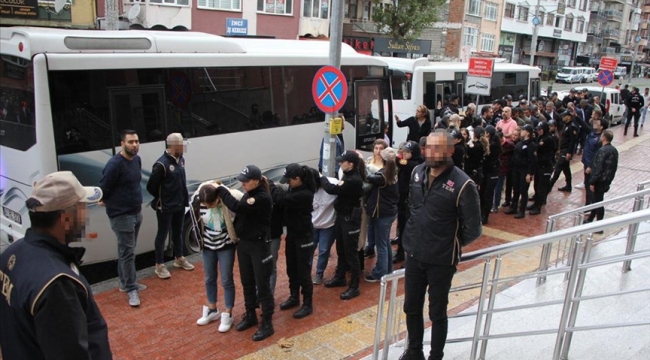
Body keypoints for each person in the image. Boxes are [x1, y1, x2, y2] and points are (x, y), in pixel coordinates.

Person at [0, 171, 112, 360]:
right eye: (83, 207)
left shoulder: (11, 253)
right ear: (66, 218)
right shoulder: (57, 284)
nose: (86, 214)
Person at [400, 131, 482, 360]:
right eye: (428, 147)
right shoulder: (417, 172)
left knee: (436, 312)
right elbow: (413, 207)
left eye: (437, 148)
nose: (430, 152)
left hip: (441, 260)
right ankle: (414, 351)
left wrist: (447, 242)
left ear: (450, 151)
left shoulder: (463, 184)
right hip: (415, 254)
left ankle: (436, 356)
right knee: (411, 307)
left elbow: (473, 228)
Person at [214, 165, 275, 341]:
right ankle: (250, 314)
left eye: (246, 181)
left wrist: (221, 190)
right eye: (241, 180)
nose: (243, 184)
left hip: (258, 246)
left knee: (262, 284)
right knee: (247, 281)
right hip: (245, 244)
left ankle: (268, 323)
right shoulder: (250, 193)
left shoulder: (261, 197)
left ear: (256, 180)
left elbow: (236, 206)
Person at [99, 129, 145, 307]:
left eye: (136, 141)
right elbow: (104, 187)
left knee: (126, 251)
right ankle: (131, 289)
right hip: (121, 215)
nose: (134, 145)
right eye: (131, 142)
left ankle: (125, 283)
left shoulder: (137, 160)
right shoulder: (114, 164)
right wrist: (105, 200)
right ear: (122, 144)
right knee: (128, 253)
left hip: (136, 212)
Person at [192, 181, 241, 332]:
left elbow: (241, 214)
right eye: (206, 204)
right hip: (208, 245)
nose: (208, 206)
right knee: (209, 278)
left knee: (226, 279)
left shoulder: (230, 199)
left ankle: (228, 312)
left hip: (226, 245)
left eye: (211, 204)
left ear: (218, 198)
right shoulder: (198, 201)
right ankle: (212, 309)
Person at [270, 164, 317, 319]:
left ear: (298, 179)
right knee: (291, 268)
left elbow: (281, 198)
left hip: (304, 237)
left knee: (304, 272)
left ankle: (307, 304)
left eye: (289, 180)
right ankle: (294, 296)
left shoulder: (304, 194)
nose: (287, 183)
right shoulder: (294, 188)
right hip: (292, 235)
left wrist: (270, 185)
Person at [147, 133, 195, 279]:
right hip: (165, 206)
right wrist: (164, 198)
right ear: (173, 146)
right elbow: (151, 187)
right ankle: (159, 265)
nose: (184, 147)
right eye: (181, 144)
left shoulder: (181, 160)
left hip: (180, 204)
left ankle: (179, 258)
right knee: (162, 234)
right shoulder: (161, 165)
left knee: (178, 231)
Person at [320, 150, 365, 300]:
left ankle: (354, 286)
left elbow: (333, 189)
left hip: (350, 219)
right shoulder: (348, 175)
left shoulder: (353, 179)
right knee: (340, 248)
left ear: (350, 164)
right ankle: (340, 276)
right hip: (342, 217)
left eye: (342, 161)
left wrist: (322, 178)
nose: (340, 163)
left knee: (351, 253)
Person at [364, 147, 399, 282]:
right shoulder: (393, 172)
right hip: (389, 212)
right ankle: (388, 269)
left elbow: (368, 177)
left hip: (382, 213)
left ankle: (380, 273)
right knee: (385, 242)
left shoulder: (382, 176)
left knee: (381, 244)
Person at [394, 141, 423, 263]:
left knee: (409, 230)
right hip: (402, 199)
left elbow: (399, 162)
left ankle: (409, 257)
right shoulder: (410, 163)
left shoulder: (415, 164)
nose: (404, 154)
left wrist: (397, 155)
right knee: (401, 226)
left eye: (407, 152)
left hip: (410, 201)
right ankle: (400, 251)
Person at [310, 168, 337, 285]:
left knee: (324, 250)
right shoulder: (308, 187)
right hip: (312, 224)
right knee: (309, 249)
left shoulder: (332, 184)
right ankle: (306, 272)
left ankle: (319, 273)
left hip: (328, 225)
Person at [586, 130, 619, 228]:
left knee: (598, 202)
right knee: (596, 200)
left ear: (604, 137)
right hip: (606, 180)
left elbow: (598, 168)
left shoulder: (602, 150)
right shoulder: (614, 150)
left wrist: (592, 182)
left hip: (599, 181)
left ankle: (599, 226)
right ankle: (590, 218)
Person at [505, 125, 537, 219]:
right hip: (516, 169)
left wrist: (529, 173)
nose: (521, 131)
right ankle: (513, 207)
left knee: (523, 190)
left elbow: (532, 160)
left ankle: (522, 210)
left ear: (528, 132)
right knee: (516, 189)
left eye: (523, 130)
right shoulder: (521, 142)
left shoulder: (532, 145)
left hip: (524, 170)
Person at [364, 139, 388, 259]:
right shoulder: (368, 161)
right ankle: (370, 247)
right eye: (376, 148)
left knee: (380, 231)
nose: (378, 151)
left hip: (380, 199)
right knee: (370, 225)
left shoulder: (387, 164)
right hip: (369, 198)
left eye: (381, 149)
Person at [527, 121, 556, 215]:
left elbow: (545, 150)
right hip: (539, 165)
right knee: (536, 185)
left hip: (546, 166)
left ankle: (538, 206)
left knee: (541, 187)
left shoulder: (549, 139)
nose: (538, 131)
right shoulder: (540, 137)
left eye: (540, 129)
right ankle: (536, 203)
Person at [580, 111, 606, 207]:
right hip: (586, 162)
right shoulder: (592, 133)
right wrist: (577, 116)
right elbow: (585, 125)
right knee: (587, 185)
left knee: (590, 186)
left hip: (591, 165)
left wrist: (590, 166)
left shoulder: (600, 139)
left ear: (601, 126)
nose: (595, 124)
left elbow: (597, 155)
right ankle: (588, 204)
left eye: (597, 123)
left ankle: (590, 206)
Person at [550, 112, 579, 193]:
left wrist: (569, 152)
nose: (562, 117)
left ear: (569, 117)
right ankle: (568, 185)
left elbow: (573, 141)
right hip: (563, 149)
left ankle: (551, 184)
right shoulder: (566, 125)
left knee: (558, 167)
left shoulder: (572, 126)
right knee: (566, 168)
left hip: (566, 150)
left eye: (564, 116)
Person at [480, 125, 501, 224]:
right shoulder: (491, 142)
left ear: (487, 133)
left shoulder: (492, 144)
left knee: (488, 194)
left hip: (492, 171)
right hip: (487, 171)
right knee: (483, 192)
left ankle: (485, 215)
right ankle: (482, 213)